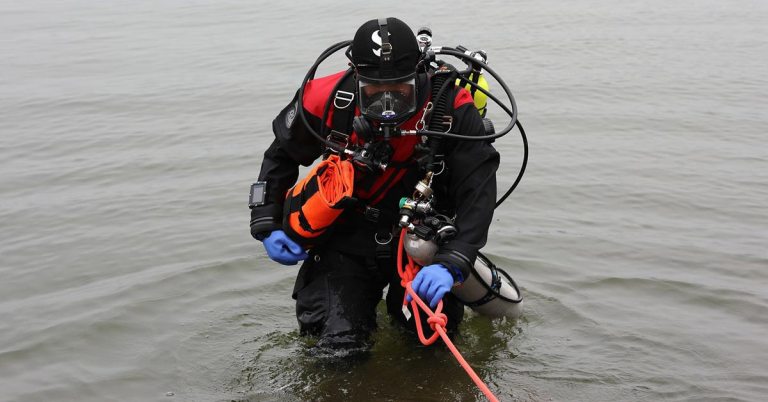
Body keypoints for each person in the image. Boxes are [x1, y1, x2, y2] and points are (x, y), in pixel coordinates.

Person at [249, 17, 499, 353]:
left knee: (431, 345)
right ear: (355, 75)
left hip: (420, 238)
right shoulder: (325, 98)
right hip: (345, 235)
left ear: (418, 72)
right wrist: (266, 221)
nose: (387, 105)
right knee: (338, 348)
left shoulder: (450, 107)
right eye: (374, 93)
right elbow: (280, 157)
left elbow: (478, 191)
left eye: (400, 91)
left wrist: (452, 262)